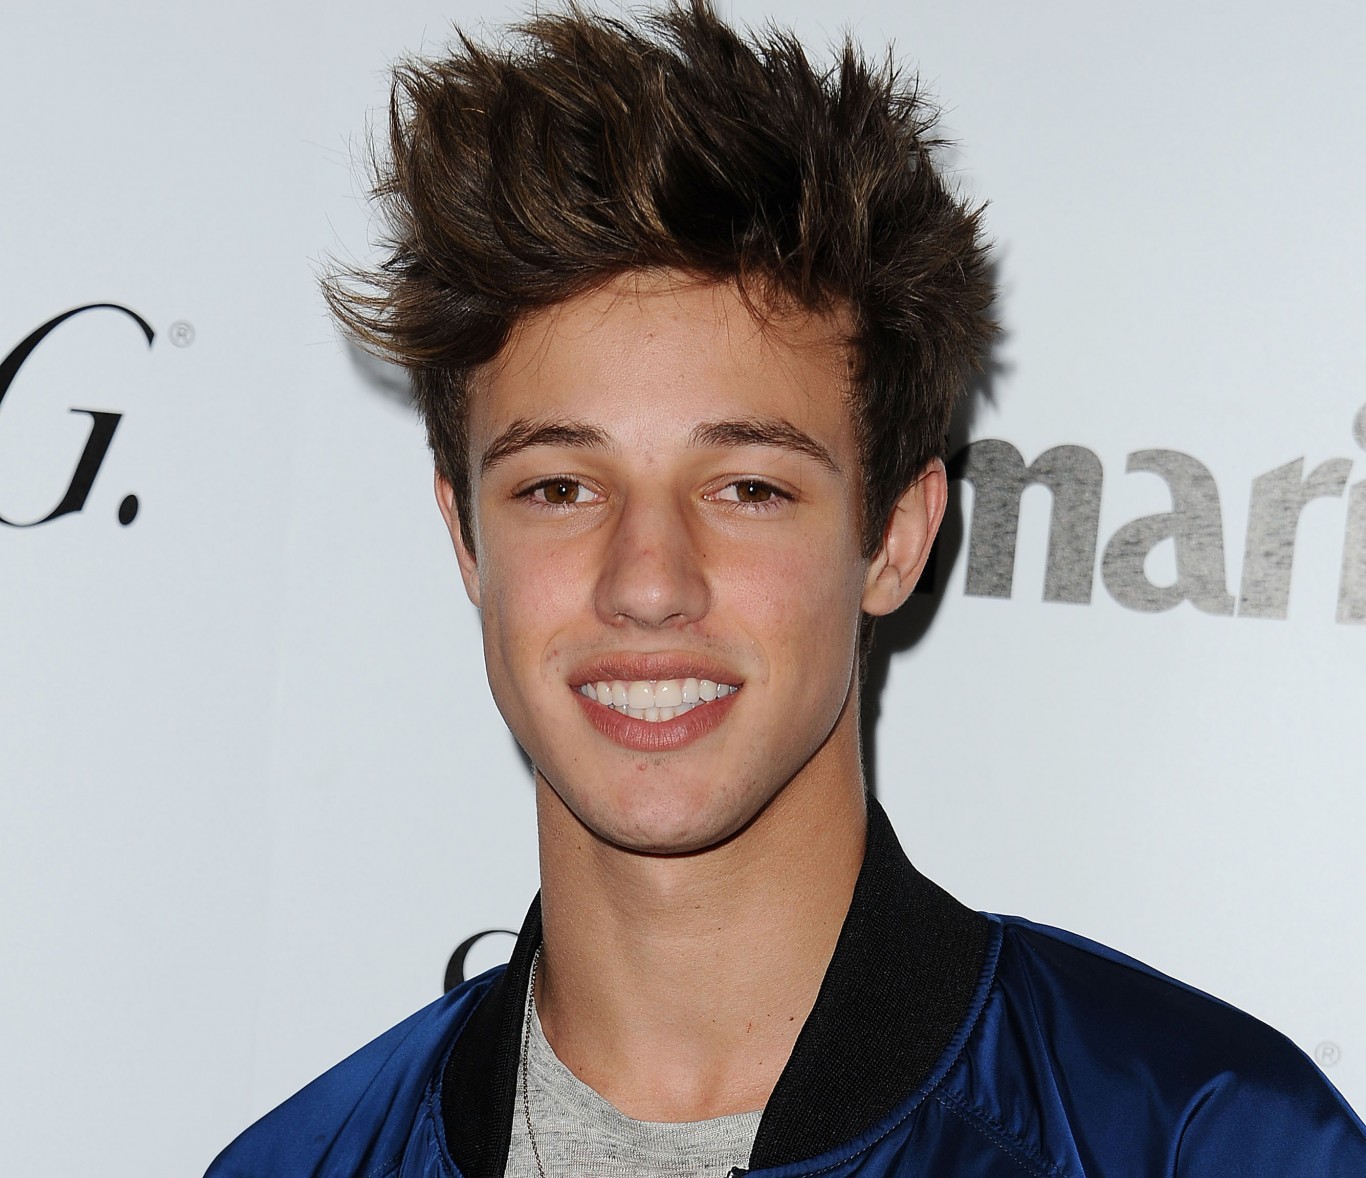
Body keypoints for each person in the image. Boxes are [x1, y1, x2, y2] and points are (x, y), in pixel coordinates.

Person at [208, 3, 1366, 1174]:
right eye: (559, 486)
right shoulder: (297, 1163)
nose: (647, 582)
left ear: (895, 535)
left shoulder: (1200, 1141)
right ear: (465, 535)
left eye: (748, 487)